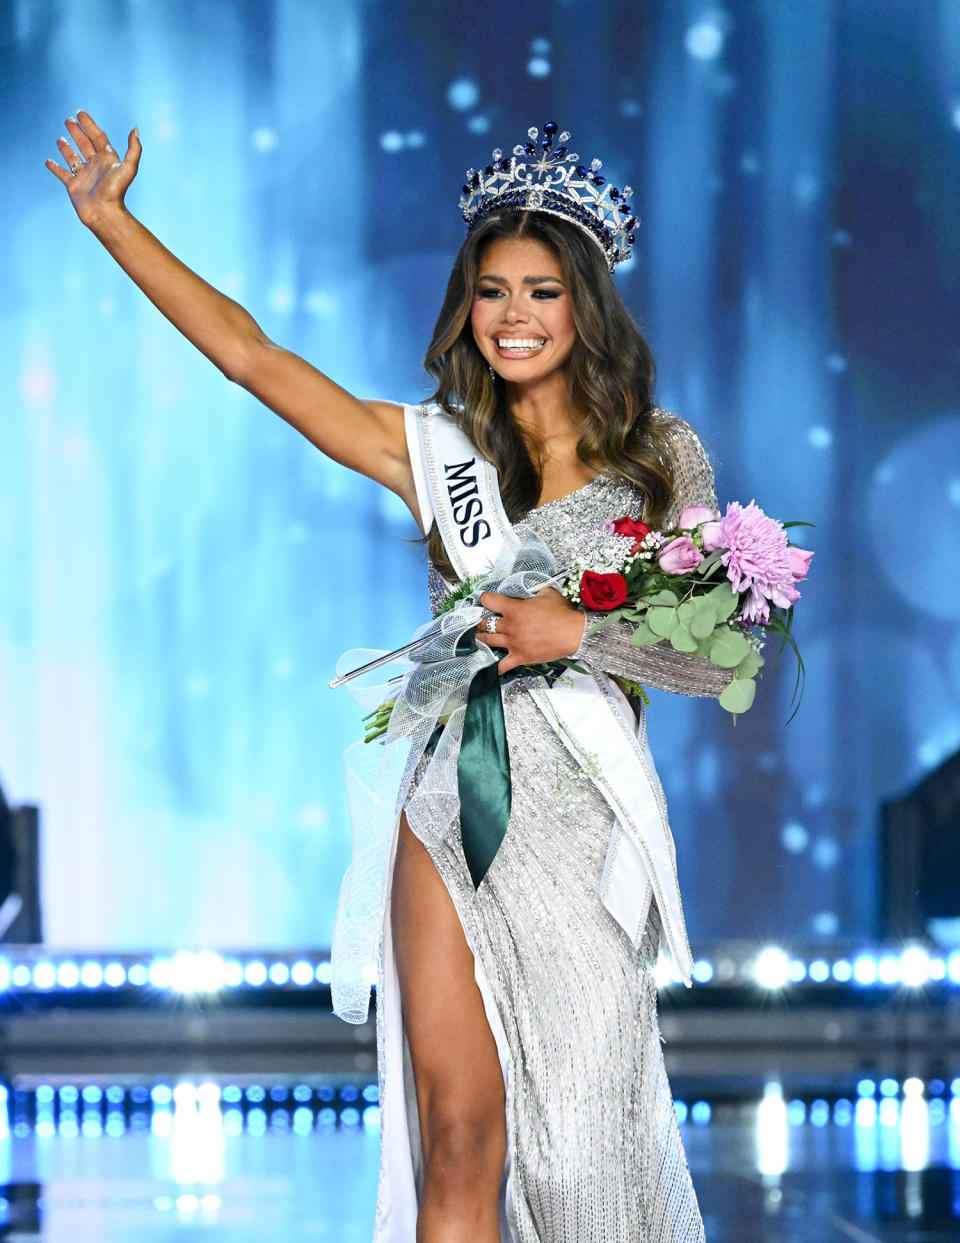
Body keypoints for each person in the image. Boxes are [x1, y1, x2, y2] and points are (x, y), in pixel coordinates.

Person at [48, 113, 730, 1242]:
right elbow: (253, 355)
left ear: (587, 304)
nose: (514, 315)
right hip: (455, 802)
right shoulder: (434, 449)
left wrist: (580, 633)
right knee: (456, 1135)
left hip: (585, 814)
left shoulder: (661, 459)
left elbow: (717, 655)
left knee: (585, 1153)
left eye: (543, 291)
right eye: (493, 290)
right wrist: (116, 222)